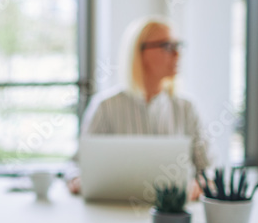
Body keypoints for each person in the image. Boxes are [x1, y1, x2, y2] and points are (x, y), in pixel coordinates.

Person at [69, 16, 210, 195]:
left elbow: (208, 169)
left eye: (178, 45)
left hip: (172, 216)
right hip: (113, 212)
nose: (177, 54)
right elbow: (76, 166)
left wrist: (197, 187)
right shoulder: (106, 107)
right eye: (167, 46)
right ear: (139, 52)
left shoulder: (186, 108)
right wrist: (78, 181)